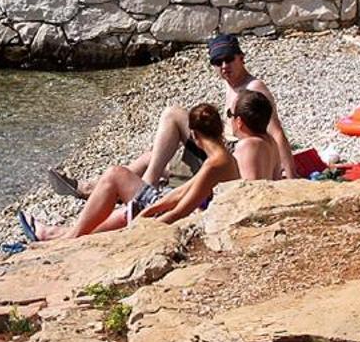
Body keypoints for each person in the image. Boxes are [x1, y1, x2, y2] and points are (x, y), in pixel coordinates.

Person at [50, 34, 294, 199]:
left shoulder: (254, 88)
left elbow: (276, 133)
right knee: (151, 155)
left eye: (229, 59)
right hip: (223, 146)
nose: (223, 67)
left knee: (173, 114)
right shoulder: (231, 83)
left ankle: (144, 188)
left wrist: (291, 180)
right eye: (217, 62)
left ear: (241, 58)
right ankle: (89, 187)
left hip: (231, 155)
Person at [30, 94, 277, 242]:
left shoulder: (230, 156)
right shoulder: (230, 156)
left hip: (191, 220)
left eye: (231, 113)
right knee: (134, 189)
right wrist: (150, 211)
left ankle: (68, 238)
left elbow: (182, 208)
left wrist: (143, 227)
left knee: (116, 175)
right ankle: (64, 235)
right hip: (184, 209)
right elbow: (181, 194)